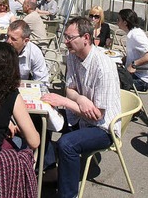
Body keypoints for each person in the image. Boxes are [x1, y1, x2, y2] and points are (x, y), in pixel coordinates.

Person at [41, 17, 121, 198]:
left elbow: (97, 115)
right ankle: (49, 169)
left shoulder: (103, 66)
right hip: (79, 116)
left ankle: (68, 195)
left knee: (67, 144)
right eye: (65, 37)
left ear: (86, 37)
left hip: (103, 128)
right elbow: (70, 89)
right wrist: (80, 98)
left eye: (70, 38)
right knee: (42, 115)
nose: (65, 41)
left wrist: (65, 101)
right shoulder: (72, 56)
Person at [117, 9, 148, 91]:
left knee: (110, 80)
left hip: (141, 80)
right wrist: (126, 58)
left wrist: (134, 64)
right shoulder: (132, 33)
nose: (117, 21)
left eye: (118, 19)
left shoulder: (136, 35)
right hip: (136, 75)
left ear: (125, 22)